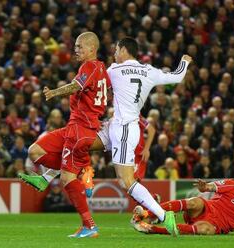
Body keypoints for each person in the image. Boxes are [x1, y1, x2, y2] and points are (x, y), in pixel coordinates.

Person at [18, 32, 110, 238]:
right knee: (35, 151)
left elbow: (76, 86)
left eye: (80, 47)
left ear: (92, 49)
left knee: (68, 178)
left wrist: (53, 93)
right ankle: (73, 172)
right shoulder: (102, 68)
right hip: (75, 127)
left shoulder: (90, 66)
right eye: (75, 47)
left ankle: (89, 225)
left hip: (80, 130)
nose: (76, 50)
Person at [107, 37, 191, 232]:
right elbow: (177, 77)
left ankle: (162, 214)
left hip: (124, 128)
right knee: (123, 179)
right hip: (130, 128)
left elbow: (93, 81)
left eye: (116, 49)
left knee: (127, 181)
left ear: (124, 50)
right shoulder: (149, 71)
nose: (114, 53)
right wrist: (185, 61)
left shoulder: (113, 70)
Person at [23, 114, 155, 195]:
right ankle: (48, 178)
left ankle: (85, 174)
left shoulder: (135, 116)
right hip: (103, 133)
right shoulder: (119, 109)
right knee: (69, 151)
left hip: (119, 144)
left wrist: (146, 149)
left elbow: (151, 129)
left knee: (128, 183)